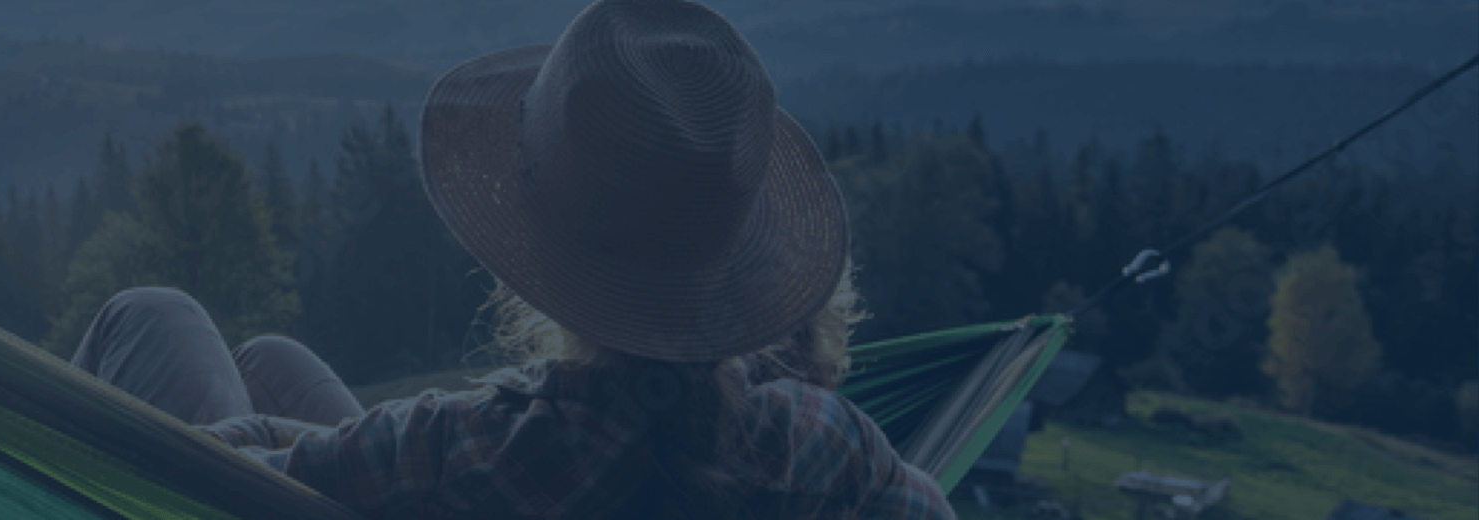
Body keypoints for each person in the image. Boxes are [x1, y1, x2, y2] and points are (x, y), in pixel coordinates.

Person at [61, 0, 959, 517]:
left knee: (153, 313)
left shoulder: (473, 446)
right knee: (270, 361)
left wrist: (269, 441)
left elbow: (193, 484)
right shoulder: (820, 444)